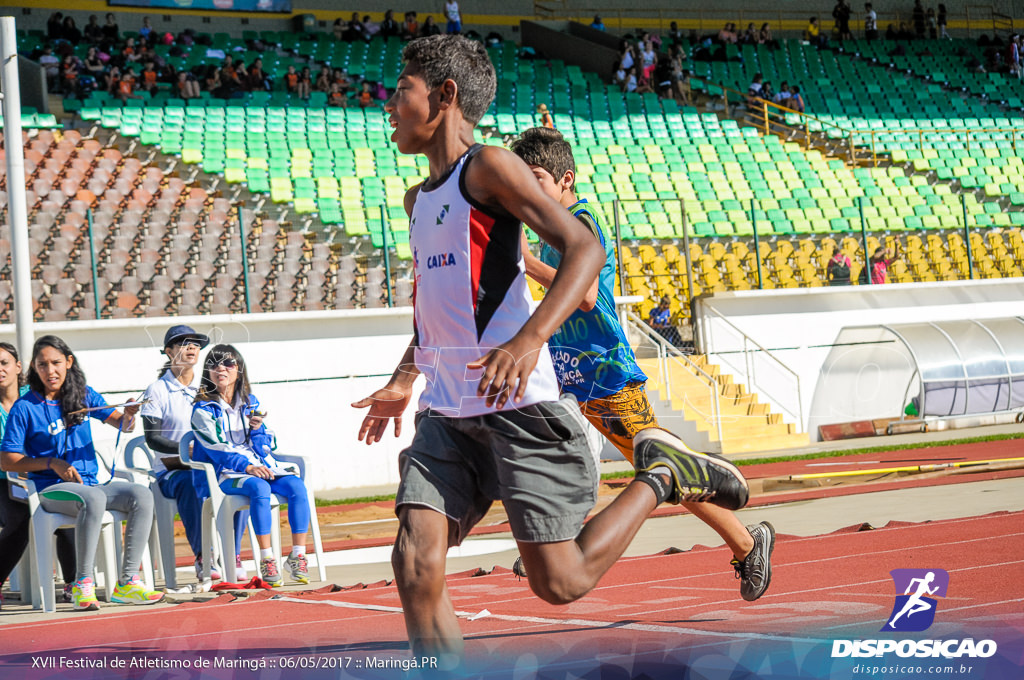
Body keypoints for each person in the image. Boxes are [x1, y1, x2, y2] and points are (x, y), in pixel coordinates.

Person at [354, 35, 748, 662]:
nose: (388, 105)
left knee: (559, 583)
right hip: (448, 413)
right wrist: (405, 378)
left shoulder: (487, 168)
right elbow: (440, 304)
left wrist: (529, 339)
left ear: (445, 96)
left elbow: (584, 251)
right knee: (414, 564)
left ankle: (665, 475)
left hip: (517, 407)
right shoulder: (417, 199)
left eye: (401, 91)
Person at [510, 127, 775, 600]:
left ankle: (746, 541)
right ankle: (553, 538)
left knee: (663, 471)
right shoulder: (549, 229)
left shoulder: (582, 222)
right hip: (567, 373)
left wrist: (527, 262)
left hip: (604, 373)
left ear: (565, 179)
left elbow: (587, 296)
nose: (529, 192)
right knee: (544, 450)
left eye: (536, 180)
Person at [0, 336, 162, 612]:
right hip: (50, 491)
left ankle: (127, 582)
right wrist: (51, 463)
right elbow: (7, 460)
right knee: (92, 499)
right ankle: (82, 584)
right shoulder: (25, 407)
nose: (50, 371)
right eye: (42, 365)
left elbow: (122, 425)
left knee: (141, 494)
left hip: (89, 486)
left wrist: (130, 413)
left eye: (56, 363)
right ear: (33, 368)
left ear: (69, 362)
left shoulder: (84, 394)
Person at [191, 345, 310, 587]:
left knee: (297, 486)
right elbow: (218, 450)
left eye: (228, 364)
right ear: (207, 372)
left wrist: (257, 430)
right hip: (225, 474)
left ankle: (297, 555)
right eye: (213, 364)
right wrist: (247, 467)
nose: (220, 368)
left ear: (239, 370)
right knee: (259, 488)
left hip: (258, 466)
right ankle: (267, 559)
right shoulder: (202, 409)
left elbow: (266, 445)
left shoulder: (250, 401)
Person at [141, 326, 248, 582]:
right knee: (192, 484)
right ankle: (204, 557)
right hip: (173, 470)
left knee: (241, 481)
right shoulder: (156, 390)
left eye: (196, 344)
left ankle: (232, 554)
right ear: (168, 352)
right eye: (183, 344)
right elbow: (152, 438)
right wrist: (186, 449)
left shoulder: (208, 388)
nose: (191, 348)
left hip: (210, 466)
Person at [0, 342, 77, 609]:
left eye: (4, 363)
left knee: (68, 505)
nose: (0, 370)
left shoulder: (37, 396)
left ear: (19, 366)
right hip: (4, 481)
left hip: (40, 478)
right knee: (19, 518)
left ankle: (74, 584)